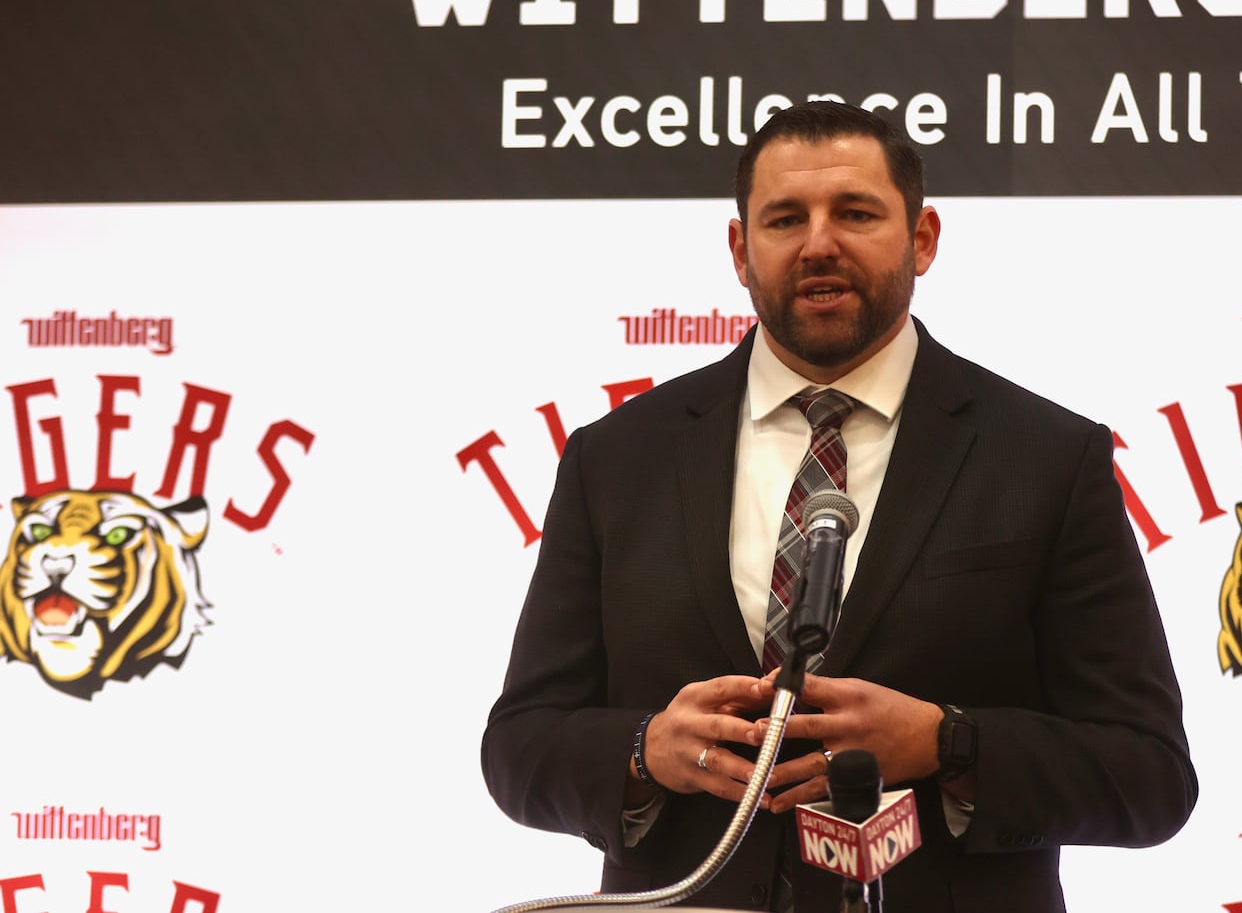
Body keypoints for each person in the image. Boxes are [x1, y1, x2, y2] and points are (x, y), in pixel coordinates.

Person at [482, 101, 1197, 912]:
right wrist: (646, 750)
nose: (818, 242)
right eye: (785, 218)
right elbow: (519, 746)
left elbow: (1149, 772)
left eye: (855, 213)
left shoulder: (1046, 457)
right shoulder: (615, 458)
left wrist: (944, 742)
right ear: (739, 249)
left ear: (923, 237)